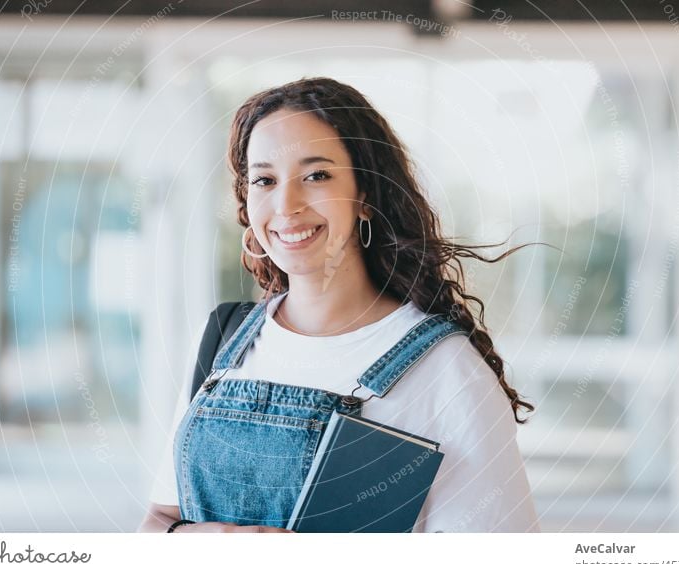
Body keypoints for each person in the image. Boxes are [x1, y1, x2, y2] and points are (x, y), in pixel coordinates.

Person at [138, 77, 540, 533]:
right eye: (265, 180)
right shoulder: (222, 340)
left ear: (365, 196)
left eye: (316, 175)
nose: (286, 205)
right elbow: (158, 522)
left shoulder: (445, 370)